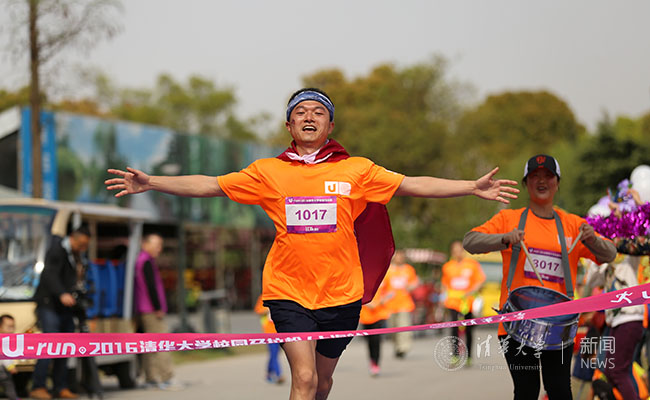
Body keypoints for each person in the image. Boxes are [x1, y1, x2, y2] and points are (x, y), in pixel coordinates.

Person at [105, 87, 519, 400]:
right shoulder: (268, 172)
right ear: (289, 126)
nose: (309, 117)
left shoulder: (357, 170)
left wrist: (471, 186)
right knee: (302, 379)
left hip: (341, 294)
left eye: (318, 112)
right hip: (288, 291)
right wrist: (152, 181)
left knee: (321, 383)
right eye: (300, 112)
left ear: (330, 126)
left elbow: (412, 184)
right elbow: (210, 184)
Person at [463, 154, 616, 400]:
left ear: (557, 183)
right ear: (526, 183)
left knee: (560, 391)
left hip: (559, 327)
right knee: (526, 390)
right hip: (517, 325)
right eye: (535, 176)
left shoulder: (572, 224)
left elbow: (610, 254)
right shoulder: (509, 219)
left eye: (548, 176)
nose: (542, 181)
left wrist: (593, 240)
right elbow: (470, 241)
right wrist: (504, 238)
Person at [30, 225, 91, 400]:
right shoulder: (57, 249)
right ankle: (38, 386)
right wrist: (62, 293)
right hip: (49, 304)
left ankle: (60, 386)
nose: (82, 248)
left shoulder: (76, 255)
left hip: (65, 308)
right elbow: (49, 274)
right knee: (49, 343)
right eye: (81, 244)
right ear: (73, 238)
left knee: (65, 345)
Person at [584, 255, 645, 400]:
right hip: (615, 322)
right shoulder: (606, 263)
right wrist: (599, 256)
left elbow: (635, 247)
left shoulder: (627, 258)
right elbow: (592, 281)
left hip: (629, 318)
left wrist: (616, 246)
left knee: (618, 371)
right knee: (610, 371)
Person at [134, 233, 180, 390]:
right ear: (145, 244)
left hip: (143, 309)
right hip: (151, 310)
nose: (159, 249)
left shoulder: (141, 260)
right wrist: (158, 307)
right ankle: (167, 377)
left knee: (150, 345)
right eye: (157, 245)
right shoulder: (146, 261)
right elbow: (151, 287)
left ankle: (151, 378)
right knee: (162, 342)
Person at [441, 240, 485, 364]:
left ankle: (469, 356)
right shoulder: (448, 266)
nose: (457, 253)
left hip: (468, 302)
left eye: (459, 250)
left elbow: (480, 280)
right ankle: (455, 355)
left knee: (469, 329)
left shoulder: (472, 265)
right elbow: (444, 284)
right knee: (454, 328)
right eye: (455, 251)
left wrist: (471, 291)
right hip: (453, 302)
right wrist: (443, 296)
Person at [383, 250, 419, 359]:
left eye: (401, 256)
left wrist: (410, 287)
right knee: (393, 328)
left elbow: (415, 282)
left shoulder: (408, 269)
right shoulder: (388, 270)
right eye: (397, 256)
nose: (399, 258)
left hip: (404, 304)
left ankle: (403, 348)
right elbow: (382, 286)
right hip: (390, 305)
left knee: (404, 327)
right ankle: (397, 346)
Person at [359, 278, 392, 376]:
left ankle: (376, 363)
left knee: (376, 340)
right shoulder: (362, 276)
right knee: (369, 341)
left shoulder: (385, 276)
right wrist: (367, 303)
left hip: (379, 314)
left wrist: (382, 301)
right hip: (366, 315)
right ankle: (372, 361)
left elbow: (390, 292)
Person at [254, 295, 285, 384]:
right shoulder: (263, 297)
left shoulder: (281, 296)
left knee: (275, 354)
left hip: (280, 331)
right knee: (273, 353)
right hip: (269, 332)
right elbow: (258, 311)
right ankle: (279, 374)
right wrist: (269, 309)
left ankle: (269, 372)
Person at [0, 314, 18, 400]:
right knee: (8, 384)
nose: (11, 330)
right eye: (9, 327)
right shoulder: (3, 340)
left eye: (13, 327)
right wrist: (11, 367)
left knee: (9, 385)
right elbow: (4, 356)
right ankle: (14, 398)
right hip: (2, 370)